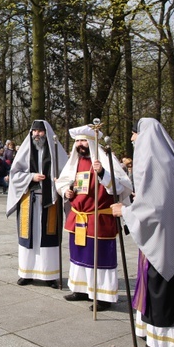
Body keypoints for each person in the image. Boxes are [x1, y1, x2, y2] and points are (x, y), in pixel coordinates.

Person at [112, 118, 174, 347]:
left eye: (134, 134)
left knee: (165, 285)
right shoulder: (169, 159)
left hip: (164, 236)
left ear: (146, 135)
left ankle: (166, 340)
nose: (132, 139)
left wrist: (124, 210)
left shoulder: (155, 161)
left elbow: (154, 208)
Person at [55, 125, 132, 311]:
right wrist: (67, 192)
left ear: (91, 142)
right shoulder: (75, 161)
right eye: (77, 141)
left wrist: (103, 173)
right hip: (79, 217)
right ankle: (80, 289)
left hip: (99, 219)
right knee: (79, 256)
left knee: (100, 258)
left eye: (83, 141)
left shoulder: (105, 161)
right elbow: (63, 182)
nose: (80, 145)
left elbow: (121, 187)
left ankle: (102, 296)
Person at [6, 120, 68, 288]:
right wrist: (31, 177)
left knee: (48, 237)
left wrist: (59, 183)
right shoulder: (25, 151)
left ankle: (50, 275)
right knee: (29, 236)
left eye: (40, 131)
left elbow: (66, 174)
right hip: (30, 199)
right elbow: (15, 174)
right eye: (34, 131)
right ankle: (26, 273)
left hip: (50, 200)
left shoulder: (56, 150)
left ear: (46, 133)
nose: (37, 134)